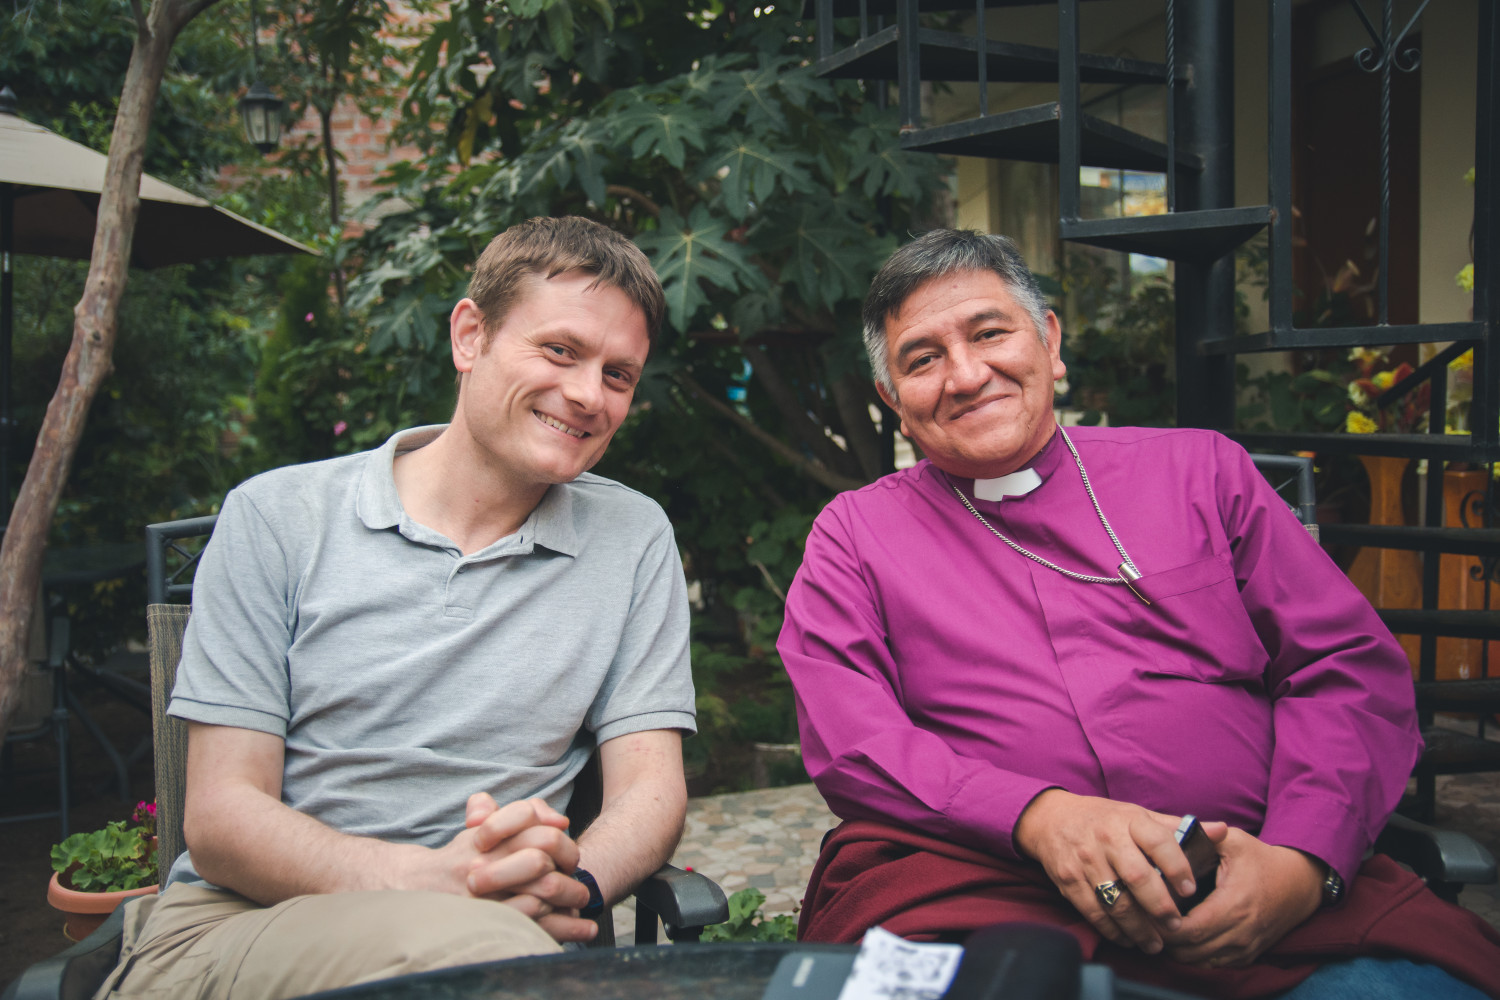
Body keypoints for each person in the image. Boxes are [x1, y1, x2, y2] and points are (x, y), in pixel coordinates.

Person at [779, 228, 1500, 998]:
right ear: (891, 398)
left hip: (1264, 885)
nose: (966, 374)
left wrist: (1299, 862)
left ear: (1049, 341)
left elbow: (1345, 668)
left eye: (990, 333)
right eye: (922, 359)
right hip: (992, 887)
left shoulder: (1200, 471)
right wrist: (1040, 817)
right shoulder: (854, 535)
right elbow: (853, 739)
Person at [97, 217, 697, 1000]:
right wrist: (433, 884)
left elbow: (651, 791)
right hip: (244, 929)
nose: (588, 394)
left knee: (498, 962)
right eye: (560, 351)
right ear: (470, 335)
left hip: (507, 933)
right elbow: (220, 820)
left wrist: (573, 884)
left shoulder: (632, 537)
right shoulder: (278, 517)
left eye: (619, 375)